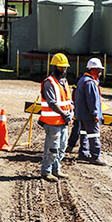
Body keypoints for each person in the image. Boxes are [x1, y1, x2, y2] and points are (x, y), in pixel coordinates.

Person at [39, 53, 73, 182]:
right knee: (52, 147)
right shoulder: (49, 83)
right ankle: (46, 171)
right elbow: (52, 103)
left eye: (65, 67)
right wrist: (64, 114)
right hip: (52, 122)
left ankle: (56, 169)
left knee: (62, 147)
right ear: (54, 66)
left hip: (63, 121)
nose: (63, 69)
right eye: (60, 67)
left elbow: (68, 100)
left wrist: (71, 110)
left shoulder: (64, 82)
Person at [74, 58, 106, 165]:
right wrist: (95, 114)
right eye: (99, 71)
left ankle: (83, 153)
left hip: (82, 114)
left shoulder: (82, 80)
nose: (100, 73)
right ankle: (95, 156)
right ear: (93, 70)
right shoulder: (90, 83)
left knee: (83, 133)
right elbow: (92, 101)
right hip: (89, 116)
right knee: (94, 134)